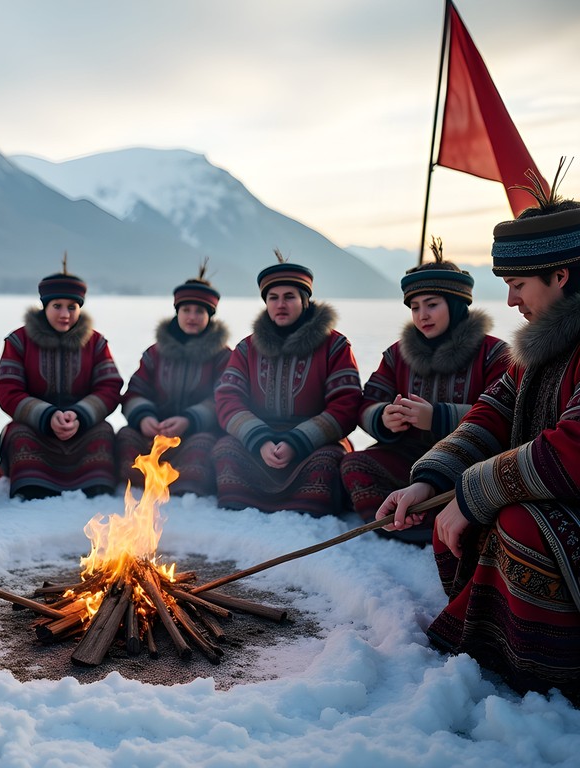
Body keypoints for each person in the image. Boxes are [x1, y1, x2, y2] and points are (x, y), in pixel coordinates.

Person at [380, 181, 580, 703]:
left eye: (517, 284)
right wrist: (430, 481)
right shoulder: (537, 349)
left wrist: (475, 491)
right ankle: (495, 638)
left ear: (560, 276)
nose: (510, 300)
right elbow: (492, 414)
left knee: (516, 522)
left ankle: (548, 668)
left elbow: (573, 446)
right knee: (464, 513)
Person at [339, 240, 508, 543]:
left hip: (470, 465)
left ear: (456, 305)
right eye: (414, 307)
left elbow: (508, 415)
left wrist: (438, 417)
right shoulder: (397, 354)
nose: (422, 315)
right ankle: (402, 523)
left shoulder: (494, 353)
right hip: (409, 459)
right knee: (354, 464)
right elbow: (366, 404)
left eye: (432, 304)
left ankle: (439, 525)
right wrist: (383, 418)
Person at [212, 252, 362, 515]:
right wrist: (259, 439)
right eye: (273, 298)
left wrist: (297, 441)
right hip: (260, 441)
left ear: (305, 301)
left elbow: (347, 404)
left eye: (289, 297)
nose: (280, 304)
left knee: (329, 463)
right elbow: (227, 399)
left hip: (315, 444)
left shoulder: (335, 345)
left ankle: (309, 508)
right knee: (224, 450)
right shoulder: (246, 348)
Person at [0, 260, 123, 499]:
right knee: (18, 434)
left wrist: (80, 415)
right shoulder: (18, 341)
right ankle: (33, 486)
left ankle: (95, 488)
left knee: (104, 431)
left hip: (82, 426)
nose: (65, 314)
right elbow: (7, 389)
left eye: (72, 307)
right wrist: (46, 415)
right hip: (35, 427)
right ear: (45, 306)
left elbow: (110, 386)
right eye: (57, 306)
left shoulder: (96, 342)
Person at [116, 263, 230, 496]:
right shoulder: (155, 353)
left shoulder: (223, 356)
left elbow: (224, 398)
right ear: (177, 311)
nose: (192, 317)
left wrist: (189, 420)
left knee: (204, 446)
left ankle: (181, 494)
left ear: (210, 315)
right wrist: (144, 417)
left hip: (196, 434)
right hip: (154, 434)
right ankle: (140, 487)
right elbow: (135, 391)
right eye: (186, 310)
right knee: (126, 437)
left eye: (200, 311)